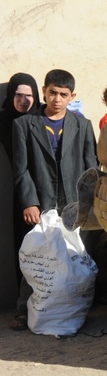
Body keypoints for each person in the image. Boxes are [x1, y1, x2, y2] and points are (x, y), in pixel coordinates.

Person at [11, 69, 98, 331]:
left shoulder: (83, 125)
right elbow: (21, 168)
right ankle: (23, 310)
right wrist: (29, 201)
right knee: (39, 256)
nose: (57, 99)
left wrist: (90, 202)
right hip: (41, 200)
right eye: (52, 93)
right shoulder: (24, 124)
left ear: (72, 96)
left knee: (75, 256)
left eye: (63, 94)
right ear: (44, 91)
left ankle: (76, 308)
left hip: (74, 202)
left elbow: (91, 166)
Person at [0, 74, 41, 313]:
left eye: (29, 95)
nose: (24, 100)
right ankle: (24, 307)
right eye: (18, 95)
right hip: (20, 195)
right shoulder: (4, 120)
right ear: (10, 95)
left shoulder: (42, 118)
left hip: (48, 189)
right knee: (24, 248)